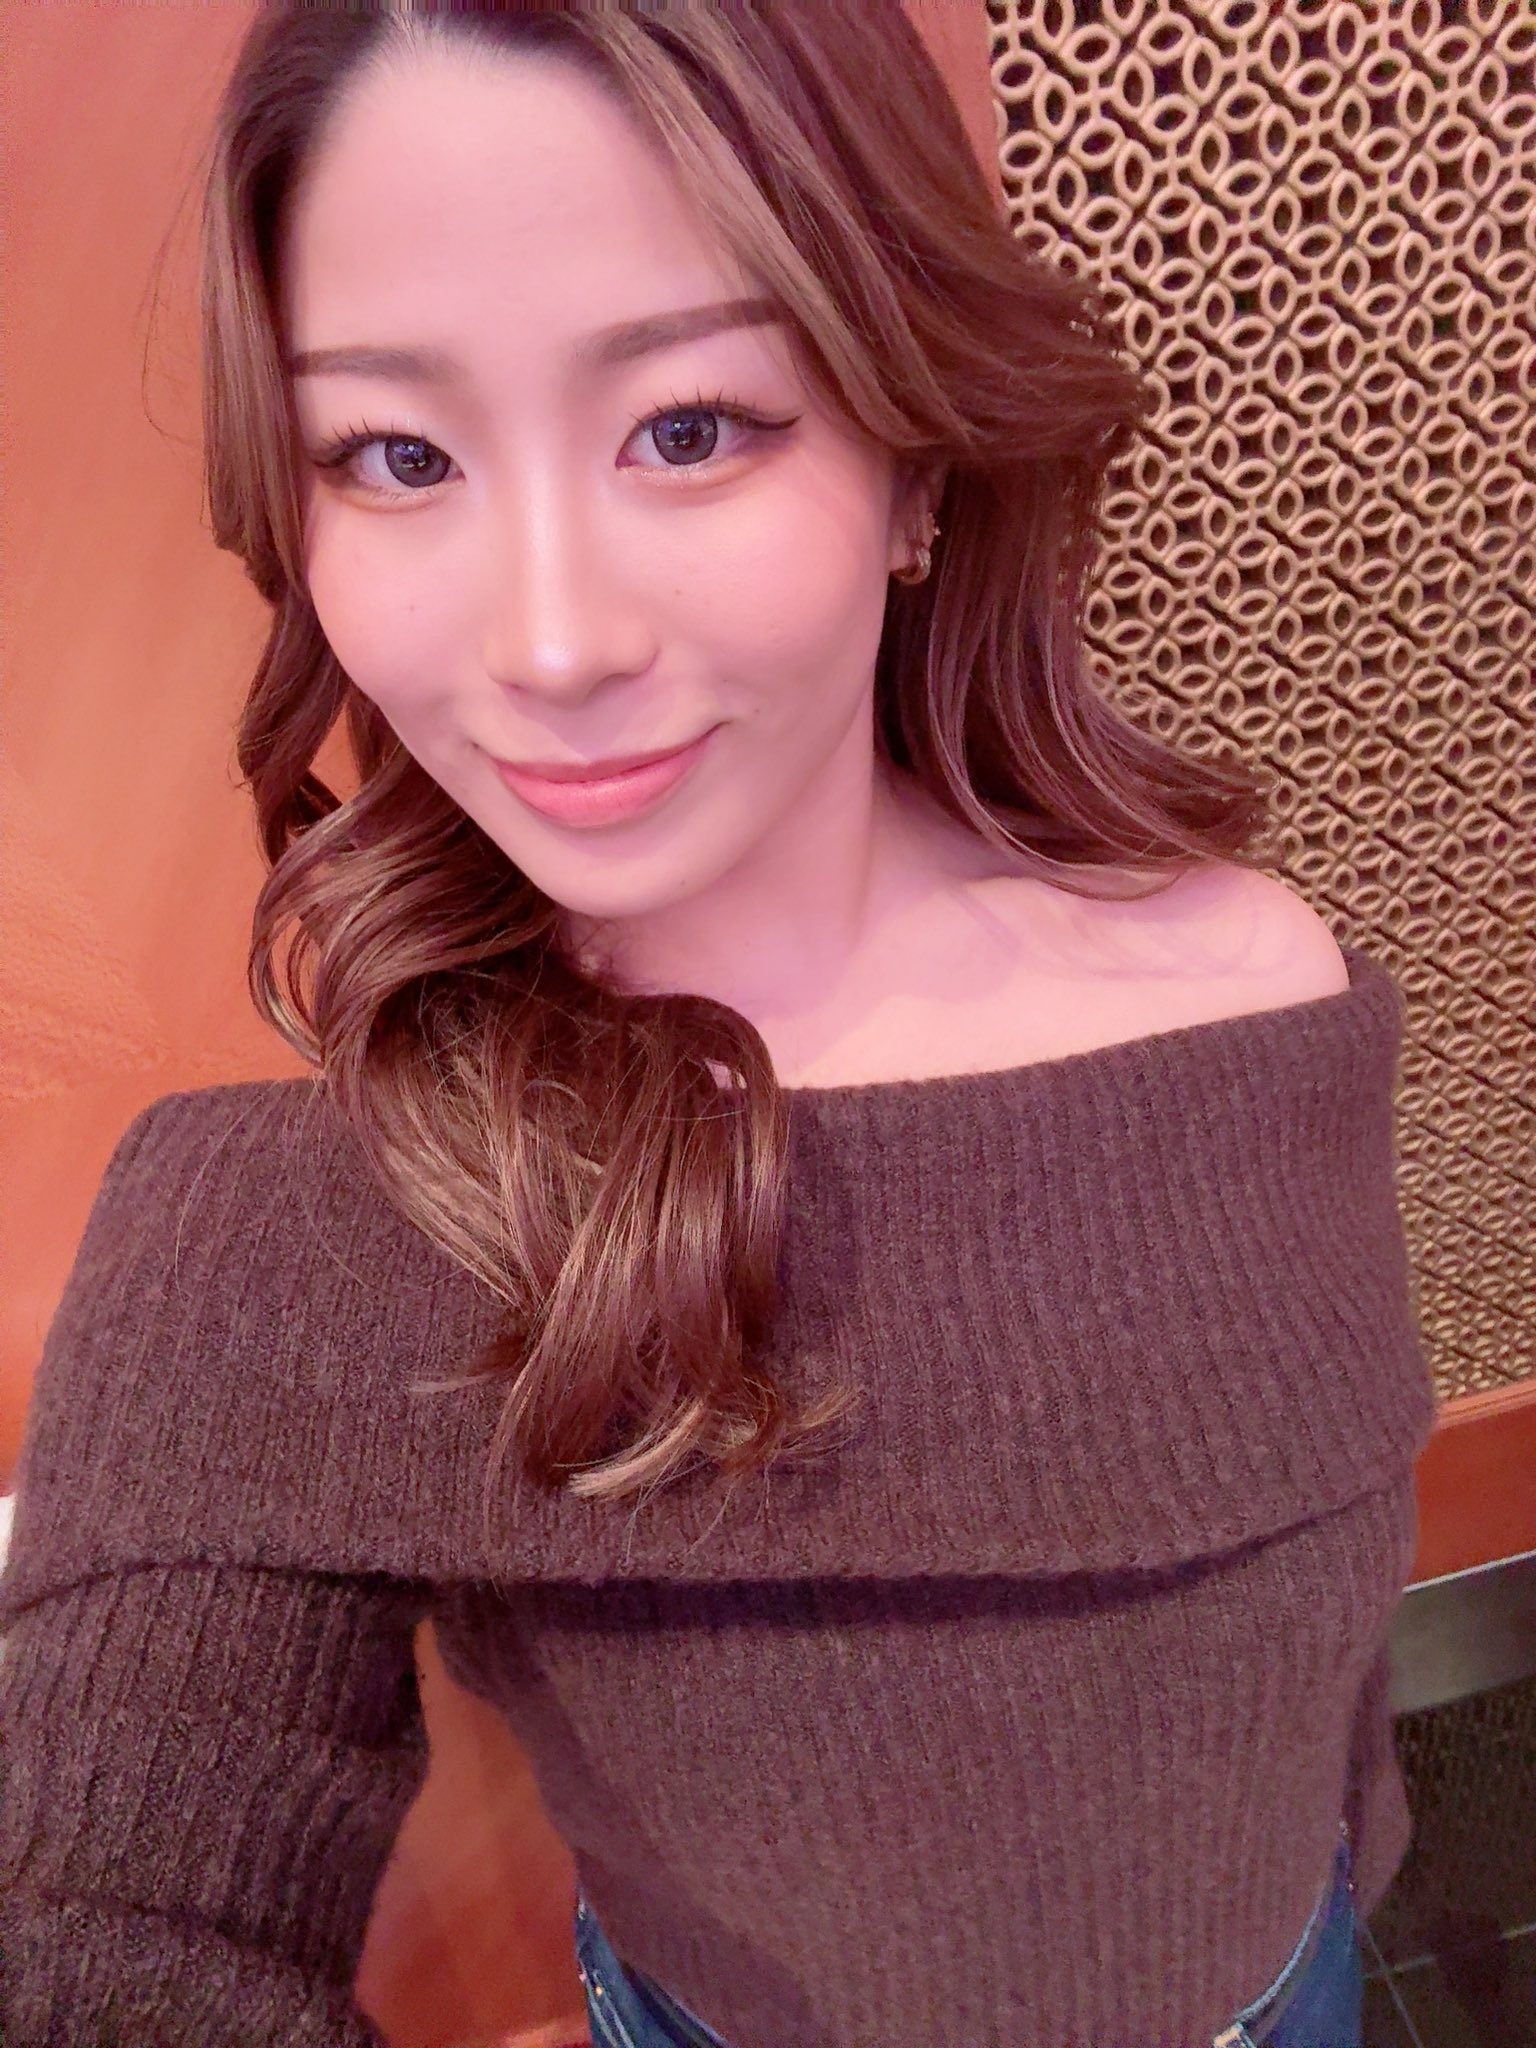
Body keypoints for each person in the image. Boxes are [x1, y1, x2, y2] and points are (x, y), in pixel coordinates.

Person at [0, 5, 1438, 2046]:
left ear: (915, 461)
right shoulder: (298, 1234)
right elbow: (102, 1913)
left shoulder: (1259, 993)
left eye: (688, 426)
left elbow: (1307, 1667)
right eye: (399, 456)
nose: (554, 640)